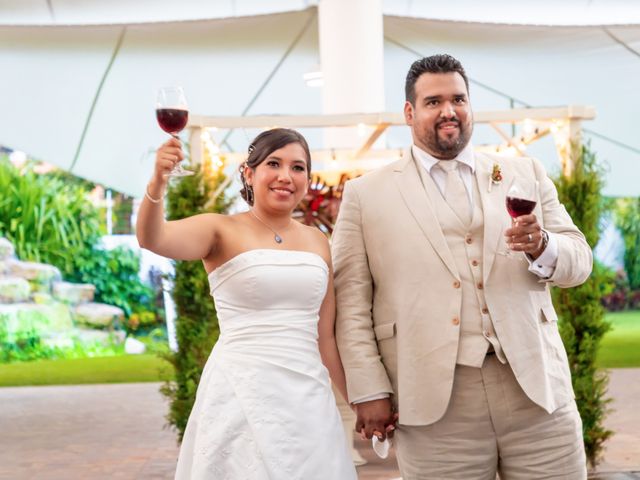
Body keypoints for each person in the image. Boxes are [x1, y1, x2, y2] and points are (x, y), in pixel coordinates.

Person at [331, 54, 592, 479]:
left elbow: (579, 262)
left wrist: (542, 247)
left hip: (537, 391)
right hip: (435, 403)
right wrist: (369, 390)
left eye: (458, 99)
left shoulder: (523, 172)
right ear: (409, 113)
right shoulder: (366, 195)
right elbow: (353, 306)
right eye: (433, 101)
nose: (449, 110)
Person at [136, 128, 357, 480]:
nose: (286, 176)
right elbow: (152, 238)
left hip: (308, 400)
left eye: (298, 168)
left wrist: (359, 403)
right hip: (241, 392)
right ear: (249, 173)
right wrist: (158, 182)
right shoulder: (219, 230)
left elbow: (325, 337)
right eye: (274, 163)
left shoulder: (319, 242)